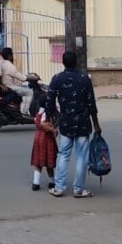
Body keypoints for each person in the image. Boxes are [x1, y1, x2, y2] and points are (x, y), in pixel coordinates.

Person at [46, 50, 101, 198]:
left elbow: (49, 101)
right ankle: (78, 189)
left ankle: (59, 188)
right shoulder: (84, 78)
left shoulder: (57, 78)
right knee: (82, 157)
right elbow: (91, 104)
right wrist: (96, 125)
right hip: (83, 123)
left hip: (66, 122)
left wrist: (49, 121)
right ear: (76, 62)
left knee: (63, 154)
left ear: (63, 62)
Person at [30, 102, 57, 191]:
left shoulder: (39, 112)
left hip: (38, 137)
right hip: (46, 138)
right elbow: (43, 124)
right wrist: (53, 130)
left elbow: (38, 123)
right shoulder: (46, 113)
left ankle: (36, 183)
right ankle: (52, 182)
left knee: (38, 162)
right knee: (49, 162)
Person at [0, 47, 32, 114]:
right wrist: (32, 78)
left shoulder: (1, 64)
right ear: (9, 56)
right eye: (12, 54)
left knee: (21, 89)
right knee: (29, 92)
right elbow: (22, 78)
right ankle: (24, 111)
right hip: (10, 87)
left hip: (5, 86)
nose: (12, 56)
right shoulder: (9, 66)